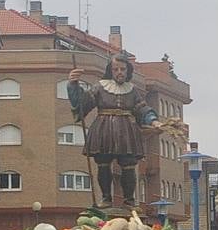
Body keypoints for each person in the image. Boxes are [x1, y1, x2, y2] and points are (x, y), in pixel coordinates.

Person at [67, 54, 157, 207]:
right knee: (103, 163)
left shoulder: (132, 90)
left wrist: (153, 120)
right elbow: (83, 104)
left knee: (128, 164)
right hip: (104, 130)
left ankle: (129, 200)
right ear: (111, 70)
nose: (119, 72)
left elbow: (142, 108)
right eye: (116, 69)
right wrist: (73, 84)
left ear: (128, 71)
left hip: (126, 132)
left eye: (123, 69)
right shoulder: (100, 87)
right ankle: (106, 198)